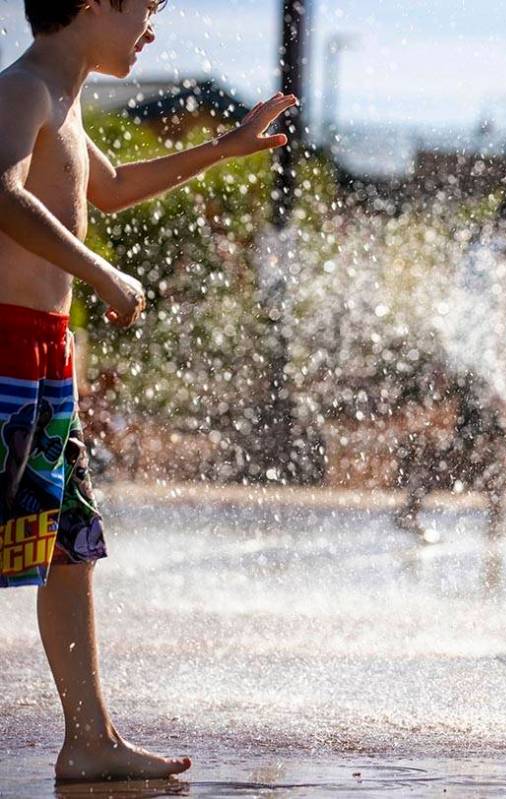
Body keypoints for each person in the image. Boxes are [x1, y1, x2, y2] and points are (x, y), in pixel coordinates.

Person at [0, 0, 297, 780]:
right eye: (146, 8)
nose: (152, 27)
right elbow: (1, 192)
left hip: (43, 358)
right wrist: (99, 272)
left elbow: (119, 184)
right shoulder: (23, 90)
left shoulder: (65, 105)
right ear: (95, 3)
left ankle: (89, 738)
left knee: (68, 549)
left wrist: (224, 150)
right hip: (3, 350)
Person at [396, 181, 506, 576]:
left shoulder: (498, 250)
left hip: (481, 366)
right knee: (469, 444)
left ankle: (490, 518)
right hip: (473, 367)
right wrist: (465, 364)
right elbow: (470, 311)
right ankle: (414, 509)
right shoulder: (488, 252)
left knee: (484, 441)